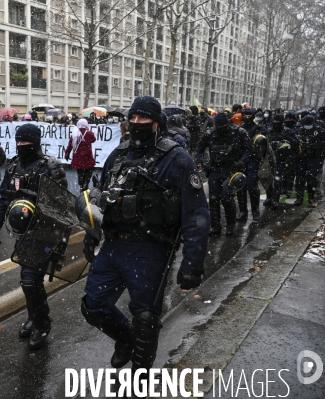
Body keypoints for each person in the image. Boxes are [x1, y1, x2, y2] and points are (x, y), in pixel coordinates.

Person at [80, 96, 209, 384]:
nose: (137, 124)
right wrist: (91, 235)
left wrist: (193, 262)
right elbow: (99, 199)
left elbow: (196, 213)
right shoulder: (118, 155)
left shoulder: (176, 158)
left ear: (157, 123)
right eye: (133, 118)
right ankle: (125, 339)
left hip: (151, 248)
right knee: (93, 306)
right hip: (114, 245)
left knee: (146, 320)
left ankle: (140, 378)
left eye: (143, 119)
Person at [0, 123, 67, 350]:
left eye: (26, 142)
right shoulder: (13, 168)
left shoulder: (50, 167)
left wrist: (39, 198)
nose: (22, 145)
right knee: (27, 280)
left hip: (44, 234)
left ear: (36, 142)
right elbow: (4, 199)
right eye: (19, 141)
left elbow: (62, 205)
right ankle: (35, 316)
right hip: (22, 234)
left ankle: (42, 322)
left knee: (32, 280)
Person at [196, 112, 250, 236]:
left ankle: (230, 226)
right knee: (214, 200)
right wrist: (203, 163)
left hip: (231, 170)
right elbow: (199, 148)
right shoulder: (210, 133)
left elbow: (248, 150)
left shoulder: (239, 132)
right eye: (219, 126)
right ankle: (215, 227)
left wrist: (241, 162)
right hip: (215, 170)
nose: (221, 128)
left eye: (223, 126)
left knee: (227, 198)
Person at [236, 109, 273, 221]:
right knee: (240, 187)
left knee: (252, 187)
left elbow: (264, 142)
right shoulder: (238, 129)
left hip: (253, 160)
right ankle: (243, 212)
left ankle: (255, 211)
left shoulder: (259, 129)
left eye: (249, 115)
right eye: (245, 115)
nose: (247, 117)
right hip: (240, 161)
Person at [264, 114, 298, 209]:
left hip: (282, 159)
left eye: (278, 121)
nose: (276, 123)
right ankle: (269, 197)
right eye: (274, 121)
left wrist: (286, 141)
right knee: (268, 179)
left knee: (278, 180)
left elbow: (296, 143)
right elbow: (264, 143)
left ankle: (275, 200)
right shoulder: (269, 131)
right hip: (270, 158)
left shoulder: (288, 131)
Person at [294, 116, 325, 206]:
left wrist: (313, 145)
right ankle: (299, 198)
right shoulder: (298, 131)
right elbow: (294, 142)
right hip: (301, 158)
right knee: (300, 179)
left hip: (313, 158)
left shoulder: (319, 131)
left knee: (311, 178)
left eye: (309, 124)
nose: (307, 126)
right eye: (306, 124)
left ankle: (311, 198)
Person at [65, 119, 97, 192]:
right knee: (88, 172)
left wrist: (67, 154)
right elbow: (94, 139)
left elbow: (69, 146)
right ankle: (86, 184)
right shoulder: (89, 133)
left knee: (80, 173)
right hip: (88, 158)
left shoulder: (74, 134)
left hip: (78, 158)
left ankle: (82, 186)